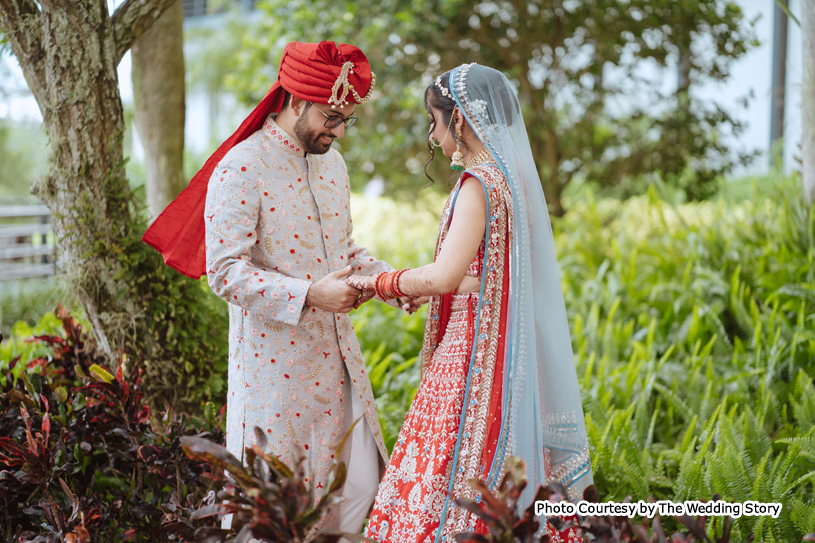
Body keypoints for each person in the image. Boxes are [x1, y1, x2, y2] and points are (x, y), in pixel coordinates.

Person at [142, 41, 402, 533]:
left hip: (340, 363)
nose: (339, 130)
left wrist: (391, 280)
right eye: (330, 117)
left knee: (354, 500)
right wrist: (309, 296)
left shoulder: (334, 167)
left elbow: (343, 255)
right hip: (275, 374)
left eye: (347, 119)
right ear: (297, 100)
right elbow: (224, 271)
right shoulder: (242, 168)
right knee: (279, 514)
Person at [346, 64, 594, 543]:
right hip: (508, 345)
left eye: (433, 121)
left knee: (447, 472)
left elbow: (445, 275)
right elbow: (487, 277)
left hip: (470, 353)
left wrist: (379, 283)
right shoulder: (515, 178)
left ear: (458, 120)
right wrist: (416, 287)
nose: (432, 135)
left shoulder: (478, 184)